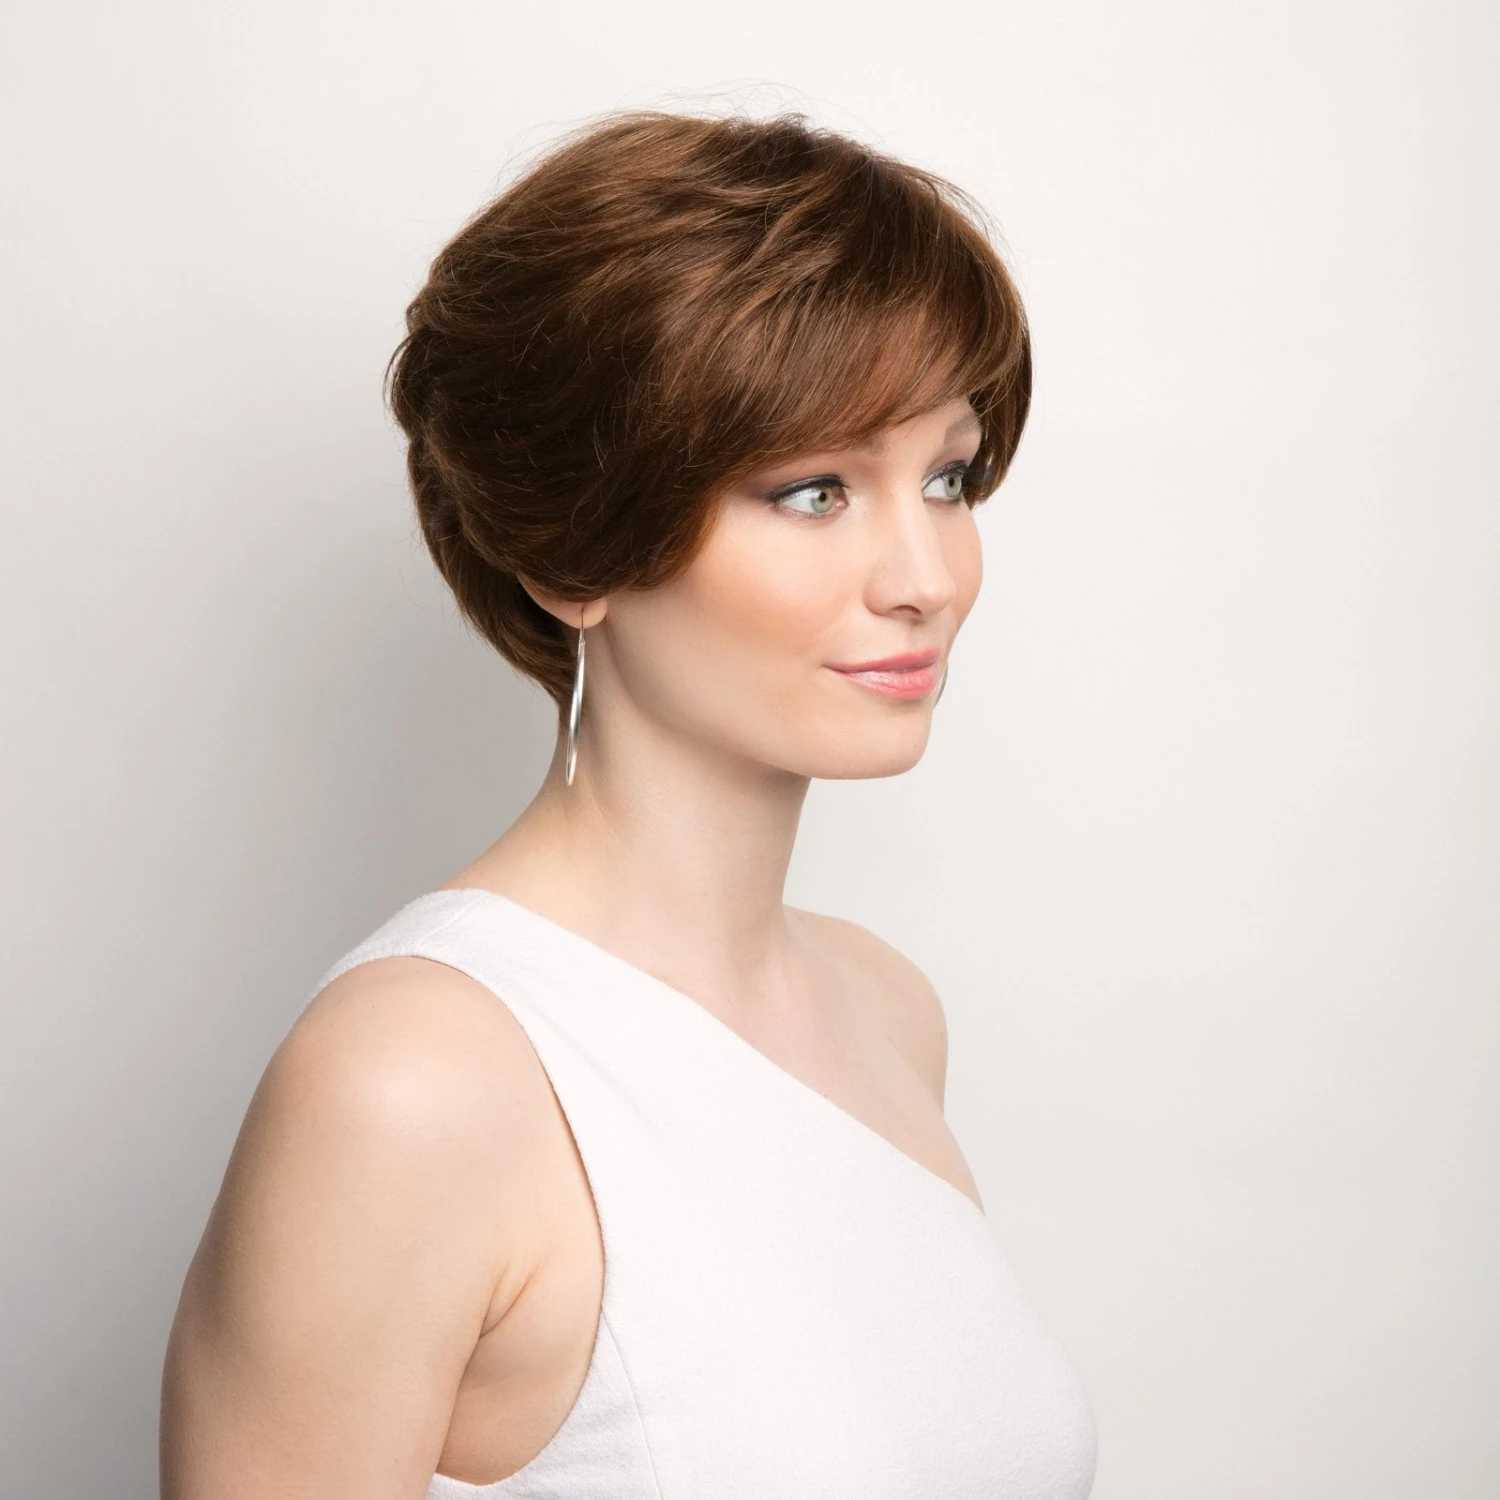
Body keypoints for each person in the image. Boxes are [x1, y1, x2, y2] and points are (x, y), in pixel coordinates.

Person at [160, 109, 1098, 1500]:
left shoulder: (887, 1010)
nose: (926, 578)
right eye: (815, 490)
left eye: (947, 477)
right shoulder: (410, 1084)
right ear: (575, 553)